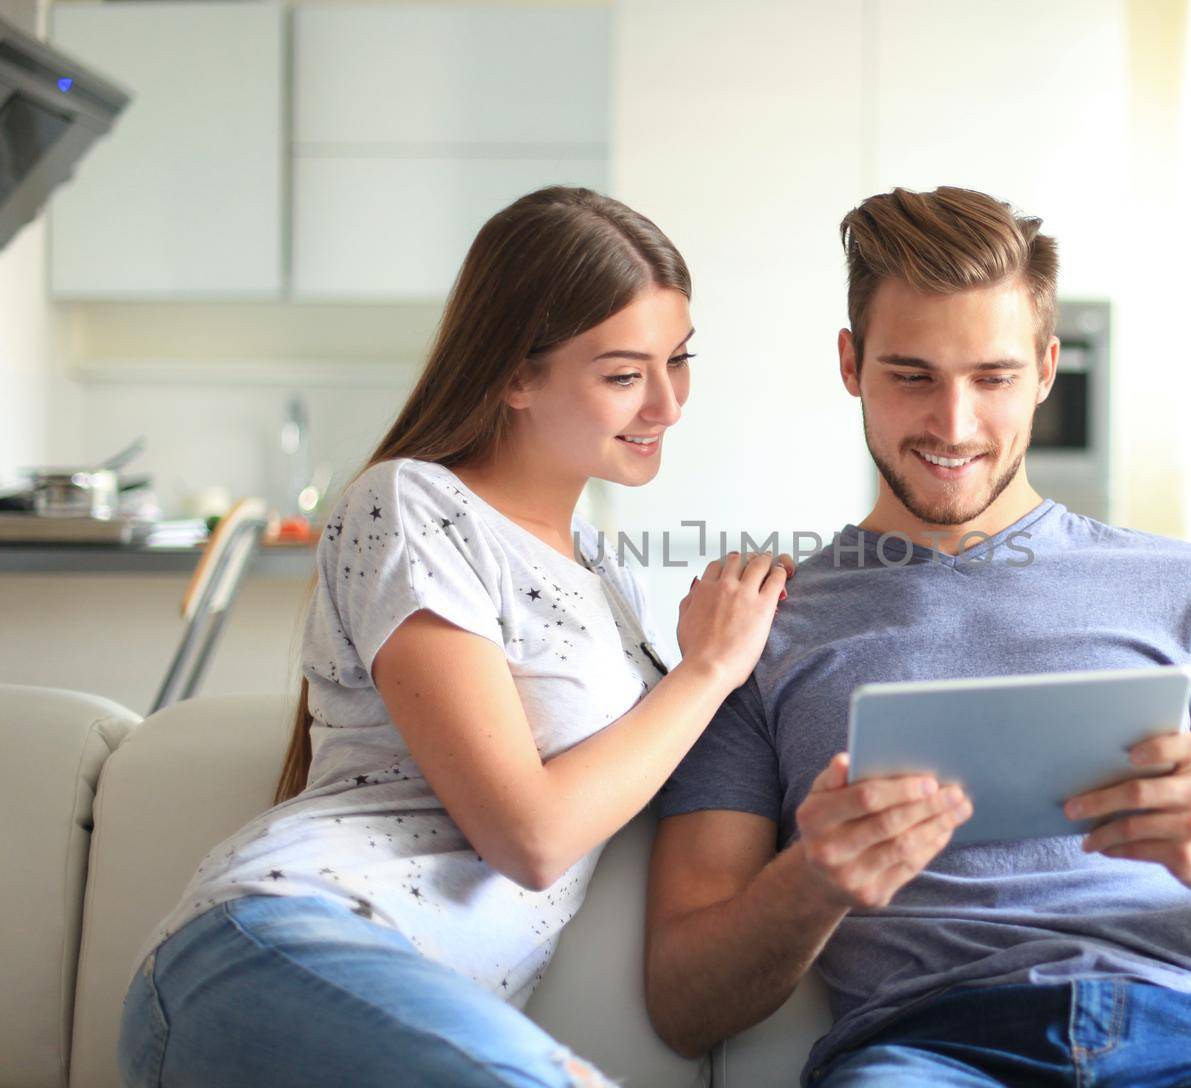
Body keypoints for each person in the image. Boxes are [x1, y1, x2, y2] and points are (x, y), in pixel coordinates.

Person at [645, 186, 1191, 1087]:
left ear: (1047, 368)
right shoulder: (763, 631)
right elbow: (681, 1005)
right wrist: (815, 877)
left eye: (993, 378)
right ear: (851, 363)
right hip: (927, 1053)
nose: (954, 425)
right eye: (912, 376)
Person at [116, 186, 790, 1088]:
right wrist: (705, 670)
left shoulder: (609, 571)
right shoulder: (411, 505)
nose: (667, 404)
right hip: (279, 944)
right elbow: (532, 838)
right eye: (625, 374)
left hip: (418, 1004)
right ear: (514, 375)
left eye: (680, 360)